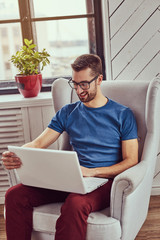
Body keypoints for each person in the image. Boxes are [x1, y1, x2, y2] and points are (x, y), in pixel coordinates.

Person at [1, 54, 138, 240]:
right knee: (14, 195)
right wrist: (17, 154)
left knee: (75, 203)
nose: (79, 90)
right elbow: (38, 143)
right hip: (69, 178)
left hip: (103, 182)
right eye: (74, 83)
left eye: (84, 84)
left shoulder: (123, 115)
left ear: (99, 79)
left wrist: (92, 172)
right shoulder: (67, 112)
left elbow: (131, 160)